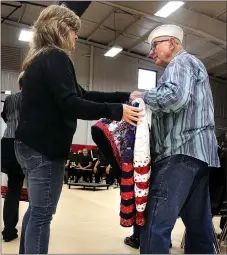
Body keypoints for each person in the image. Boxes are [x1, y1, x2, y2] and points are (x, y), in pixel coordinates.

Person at [14, 5, 142, 254]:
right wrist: (118, 111)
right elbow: (72, 105)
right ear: (61, 29)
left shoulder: (41, 59)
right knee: (42, 215)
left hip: (29, 146)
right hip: (45, 149)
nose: (76, 37)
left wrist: (124, 96)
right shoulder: (55, 57)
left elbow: (82, 94)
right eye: (73, 31)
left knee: (36, 210)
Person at [130, 24, 220, 254]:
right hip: (199, 156)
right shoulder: (194, 65)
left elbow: (175, 97)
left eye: (154, 45)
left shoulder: (180, 62)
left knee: (155, 225)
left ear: (172, 42)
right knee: (199, 228)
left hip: (179, 153)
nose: (151, 53)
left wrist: (144, 96)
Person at [1, 72, 25, 242]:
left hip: (8, 142)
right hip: (27, 144)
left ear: (19, 84)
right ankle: (35, 226)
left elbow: (4, 116)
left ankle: (9, 230)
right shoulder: (35, 101)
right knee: (38, 188)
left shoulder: (10, 99)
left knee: (13, 187)